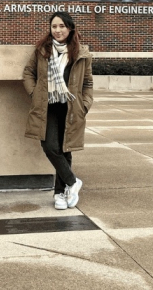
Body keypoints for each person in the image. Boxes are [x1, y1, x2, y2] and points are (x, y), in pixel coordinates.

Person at [23, 12, 93, 210]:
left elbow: (88, 83)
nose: (58, 30)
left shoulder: (81, 53)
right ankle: (73, 182)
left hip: (71, 107)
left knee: (66, 149)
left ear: (70, 28)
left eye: (62, 26)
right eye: (54, 26)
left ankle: (60, 194)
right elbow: (29, 73)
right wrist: (34, 93)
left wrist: (85, 104)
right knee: (50, 146)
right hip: (48, 106)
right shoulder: (42, 50)